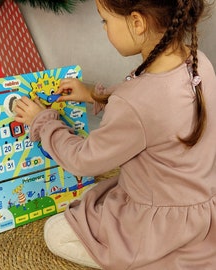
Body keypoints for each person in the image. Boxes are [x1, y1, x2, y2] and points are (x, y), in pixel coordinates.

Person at [14, 0, 216, 268]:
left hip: (161, 227)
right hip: (202, 212)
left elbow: (82, 160)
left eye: (105, 21)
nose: (104, 28)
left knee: (56, 232)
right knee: (98, 198)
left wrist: (42, 121)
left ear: (136, 22)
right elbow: (153, 113)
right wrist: (93, 94)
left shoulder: (136, 102)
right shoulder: (198, 61)